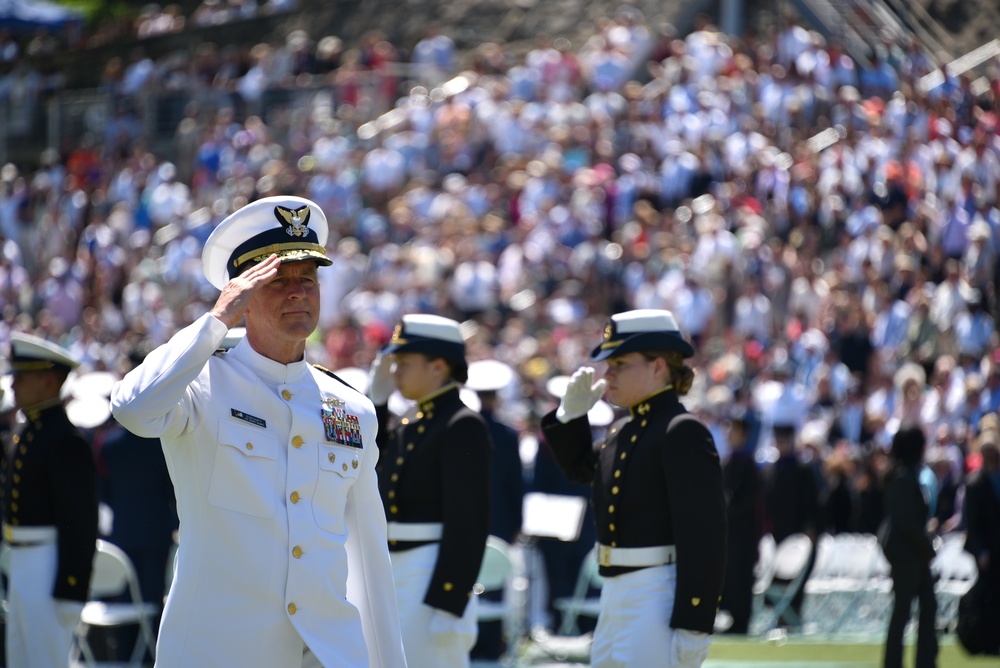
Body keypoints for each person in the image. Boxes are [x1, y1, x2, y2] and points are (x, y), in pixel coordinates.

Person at [110, 195, 406, 667]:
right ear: (242, 297)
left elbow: (369, 560)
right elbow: (132, 408)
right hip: (220, 652)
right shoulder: (201, 385)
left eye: (308, 280)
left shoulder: (351, 408)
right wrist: (215, 322)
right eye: (276, 280)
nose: (297, 292)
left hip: (327, 654)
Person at [540, 309, 726, 667]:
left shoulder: (681, 430)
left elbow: (704, 537)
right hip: (616, 592)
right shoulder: (623, 431)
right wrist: (568, 417)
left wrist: (694, 623)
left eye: (620, 363)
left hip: (657, 594)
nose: (607, 374)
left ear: (658, 366)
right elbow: (580, 469)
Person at [368, 314, 493, 668]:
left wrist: (449, 600)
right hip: (399, 568)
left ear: (438, 367)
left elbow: (468, 522)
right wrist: (375, 405)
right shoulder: (413, 423)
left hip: (431, 575)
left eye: (404, 364)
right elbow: (369, 465)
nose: (395, 373)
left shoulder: (461, 425)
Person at [1, 332, 98, 668]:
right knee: (20, 658)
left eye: (22, 377)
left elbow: (81, 522)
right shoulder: (28, 431)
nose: (13, 386)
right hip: (23, 562)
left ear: (47, 380)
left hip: (48, 565)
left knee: (45, 660)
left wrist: (72, 588)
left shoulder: (64, 440)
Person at [464, 359, 523, 661]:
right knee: (495, 586)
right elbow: (516, 484)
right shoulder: (508, 434)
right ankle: (491, 647)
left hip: (466, 522)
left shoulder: (461, 430)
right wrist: (516, 524)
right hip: (499, 521)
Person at [878, 424, 938, 668]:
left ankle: (924, 661)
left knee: (925, 605)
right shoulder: (904, 477)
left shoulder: (906, 474)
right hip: (907, 552)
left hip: (912, 550)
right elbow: (905, 522)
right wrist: (927, 546)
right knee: (903, 609)